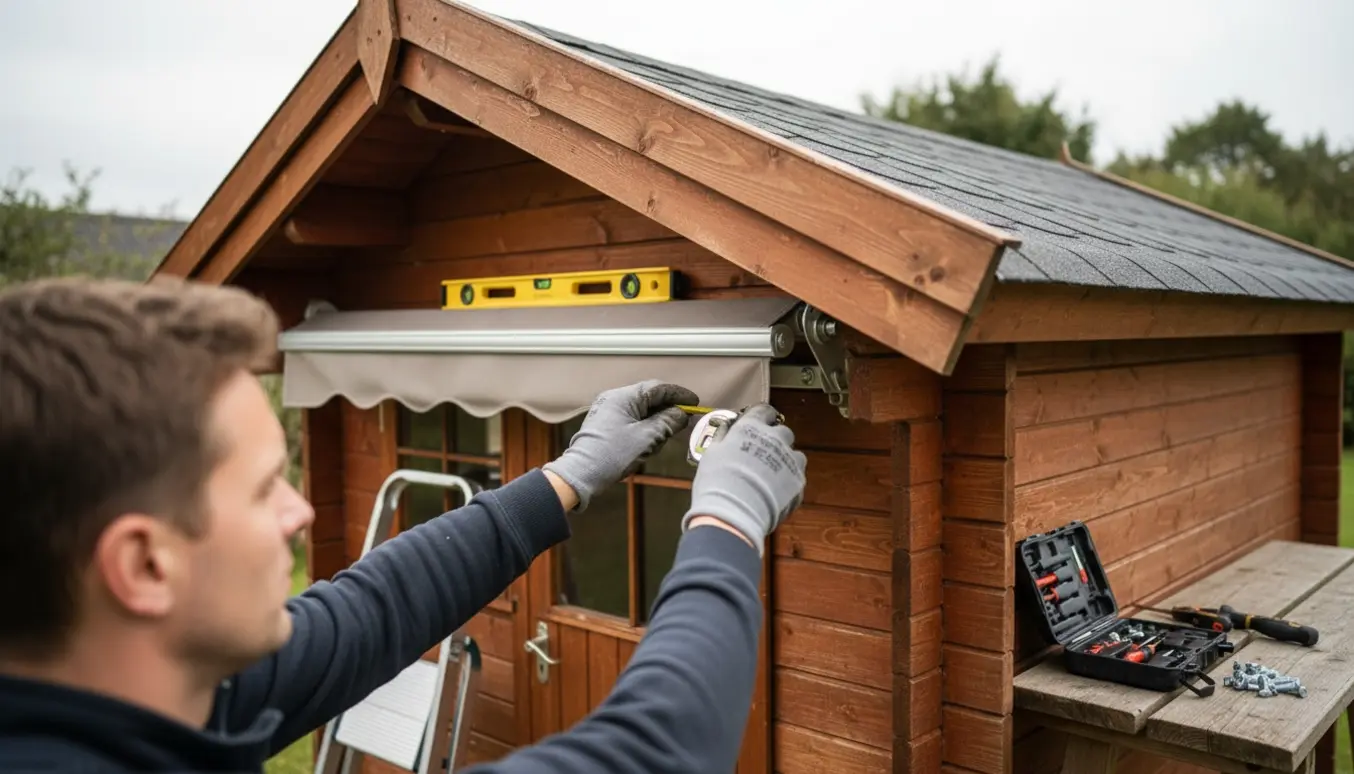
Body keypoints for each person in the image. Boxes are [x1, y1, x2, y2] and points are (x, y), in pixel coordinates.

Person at [0, 275, 808, 774]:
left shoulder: (168, 694)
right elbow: (650, 756)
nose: (301, 511)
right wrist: (727, 522)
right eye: (260, 490)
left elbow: (367, 610)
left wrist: (564, 478)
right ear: (143, 566)